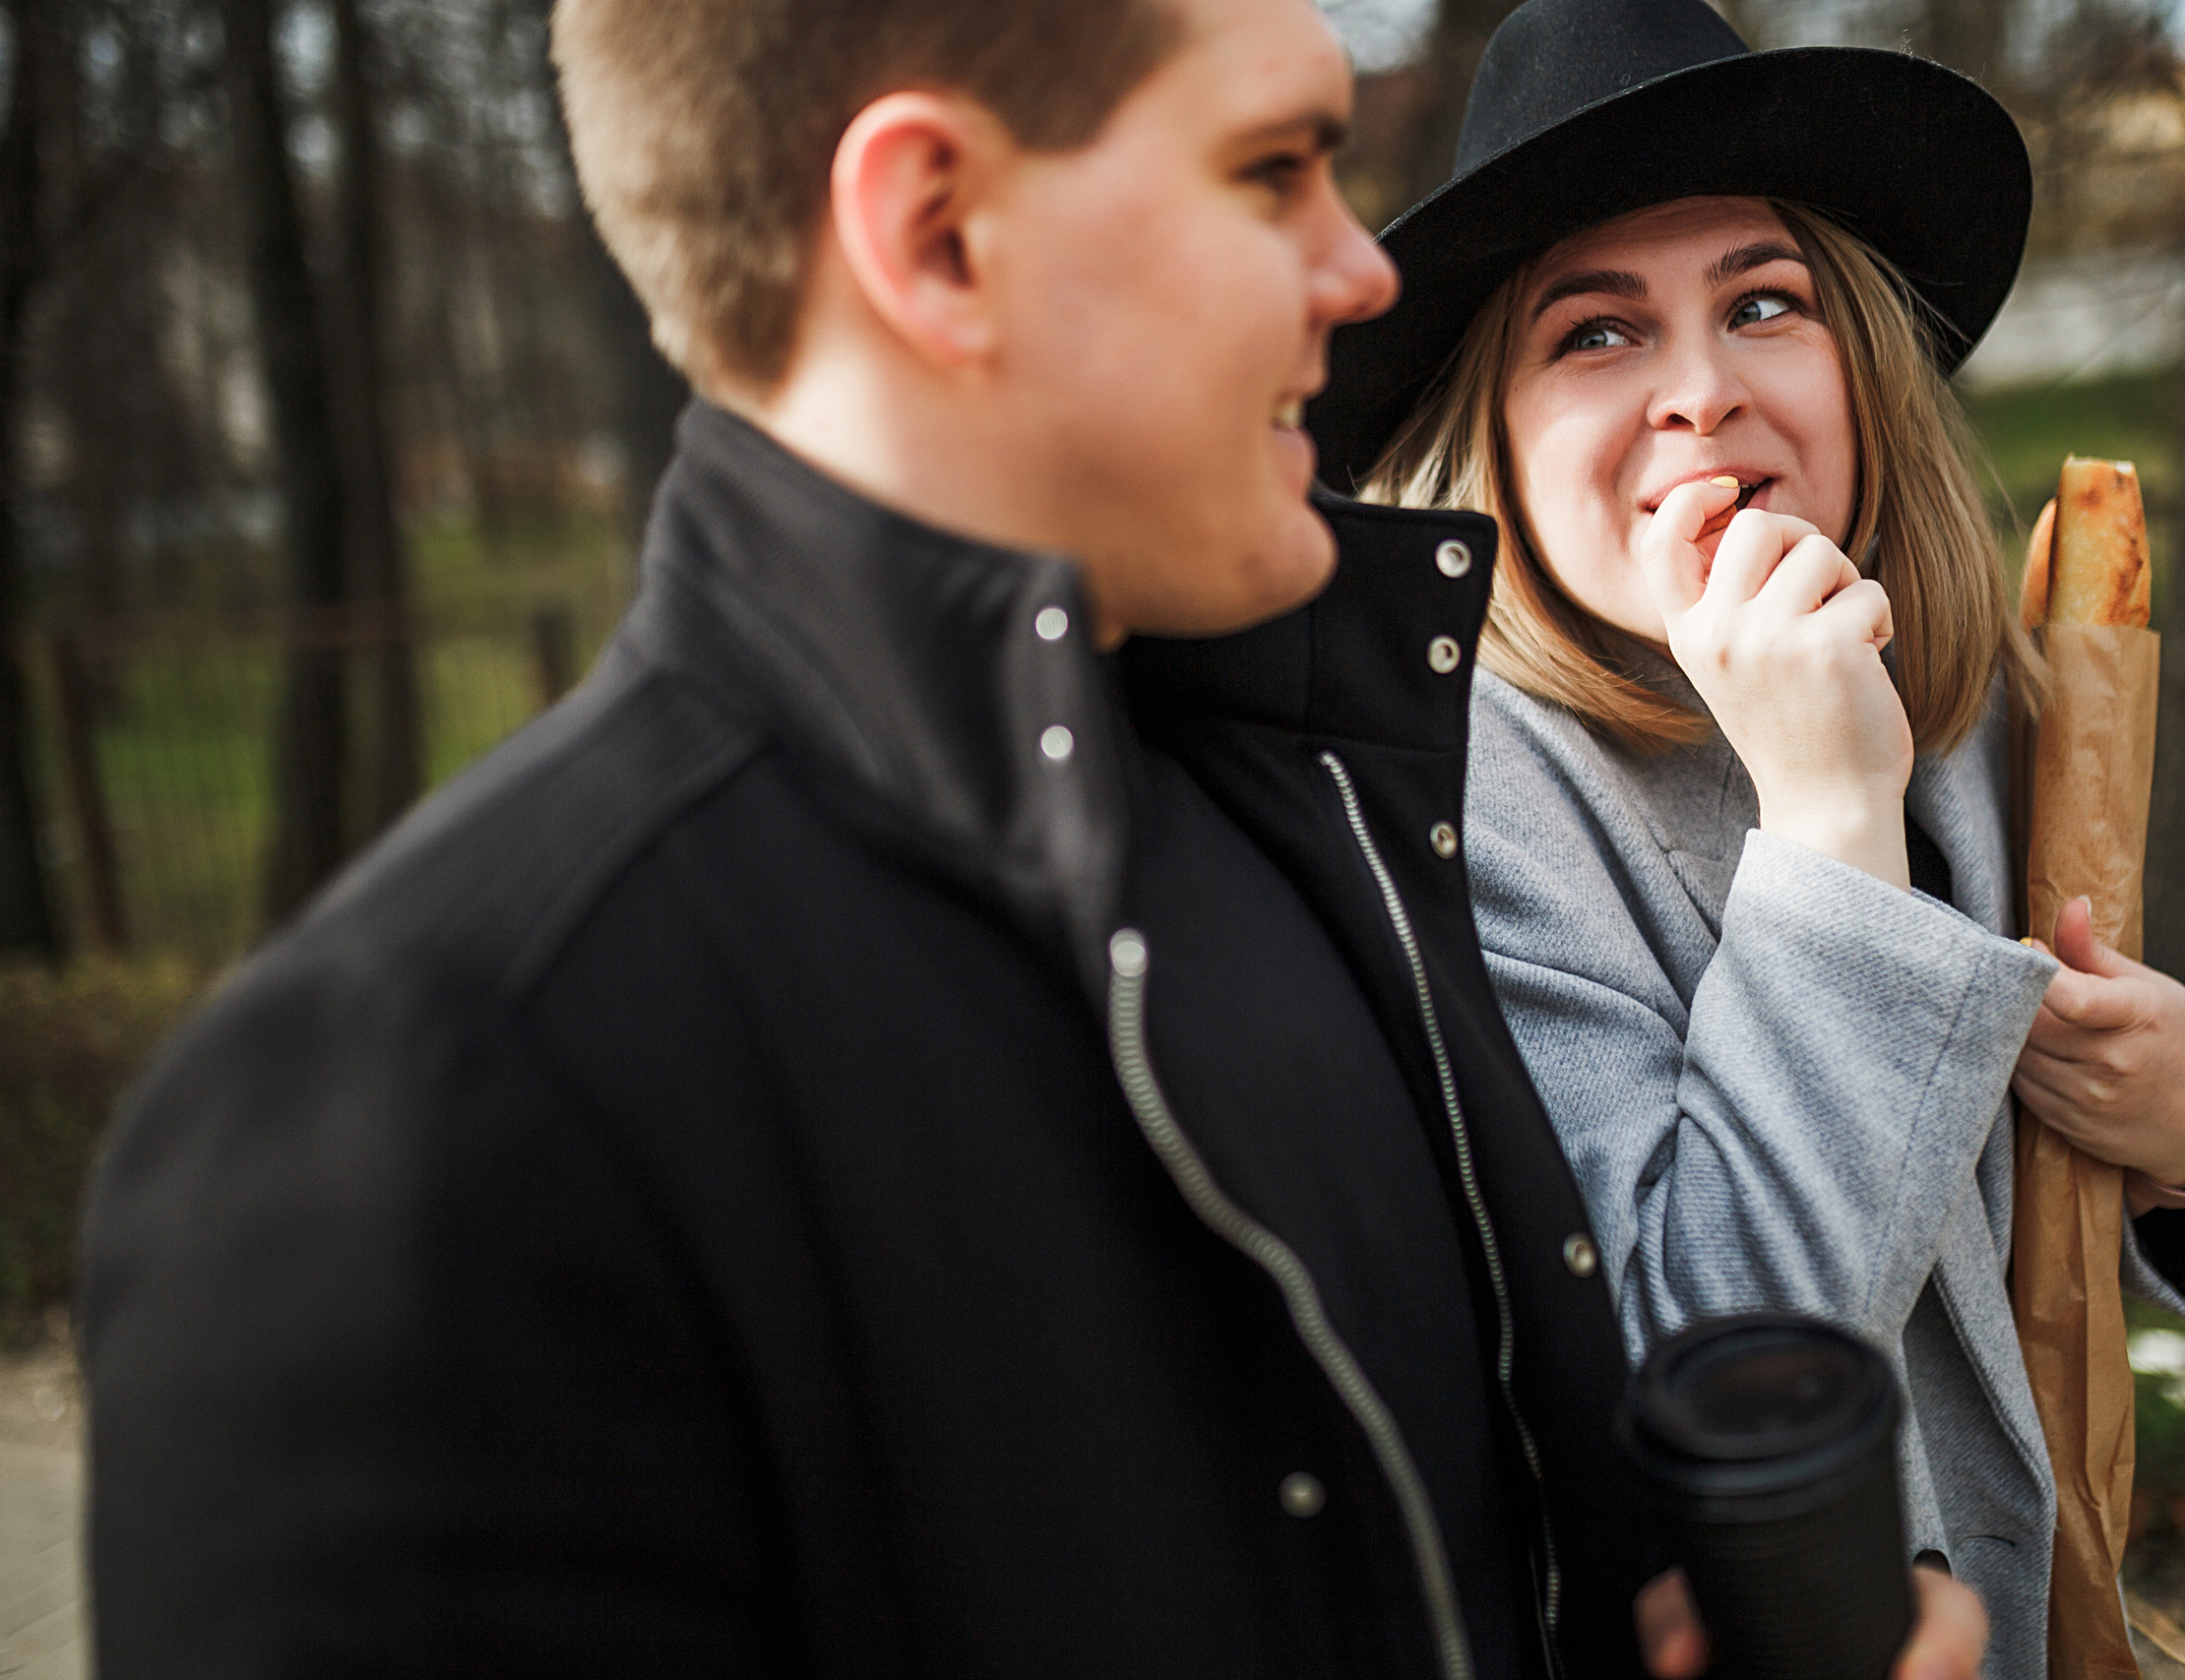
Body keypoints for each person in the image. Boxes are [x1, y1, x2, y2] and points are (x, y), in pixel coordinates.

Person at [78, 0, 1988, 1676]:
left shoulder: (1320, 810)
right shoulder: (414, 1114)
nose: (1363, 276)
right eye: (1271, 170)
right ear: (938, 234)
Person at [1310, 3, 2185, 1676]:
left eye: (1763, 304)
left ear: (1859, 368)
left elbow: (1981, 1228)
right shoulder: (1457, 817)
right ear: (1492, 431)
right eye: (1595, 335)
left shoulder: (1973, 710)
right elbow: (1709, 1374)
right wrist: (1826, 828)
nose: (1703, 394)